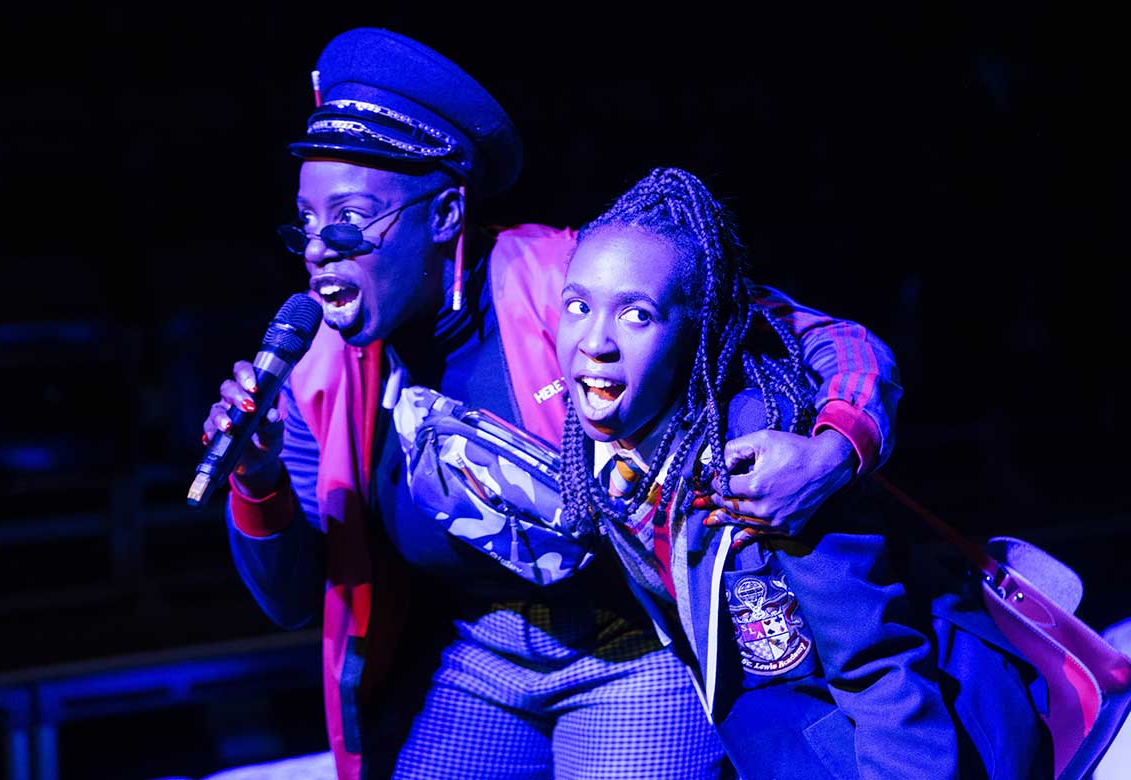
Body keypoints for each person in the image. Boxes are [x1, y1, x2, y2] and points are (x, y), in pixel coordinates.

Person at [202, 27, 905, 780]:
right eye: (305, 225)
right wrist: (257, 479)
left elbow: (822, 336)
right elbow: (292, 601)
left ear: (443, 216)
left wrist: (837, 447)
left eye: (348, 218)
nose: (319, 247)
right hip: (481, 655)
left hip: (635, 650)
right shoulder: (317, 371)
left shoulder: (569, 281)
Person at [554, 165, 1051, 779]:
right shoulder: (609, 442)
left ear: (696, 329)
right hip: (785, 746)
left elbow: (880, 669)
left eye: (636, 316)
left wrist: (836, 446)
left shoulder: (765, 456)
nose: (594, 340)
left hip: (901, 749)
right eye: (577, 305)